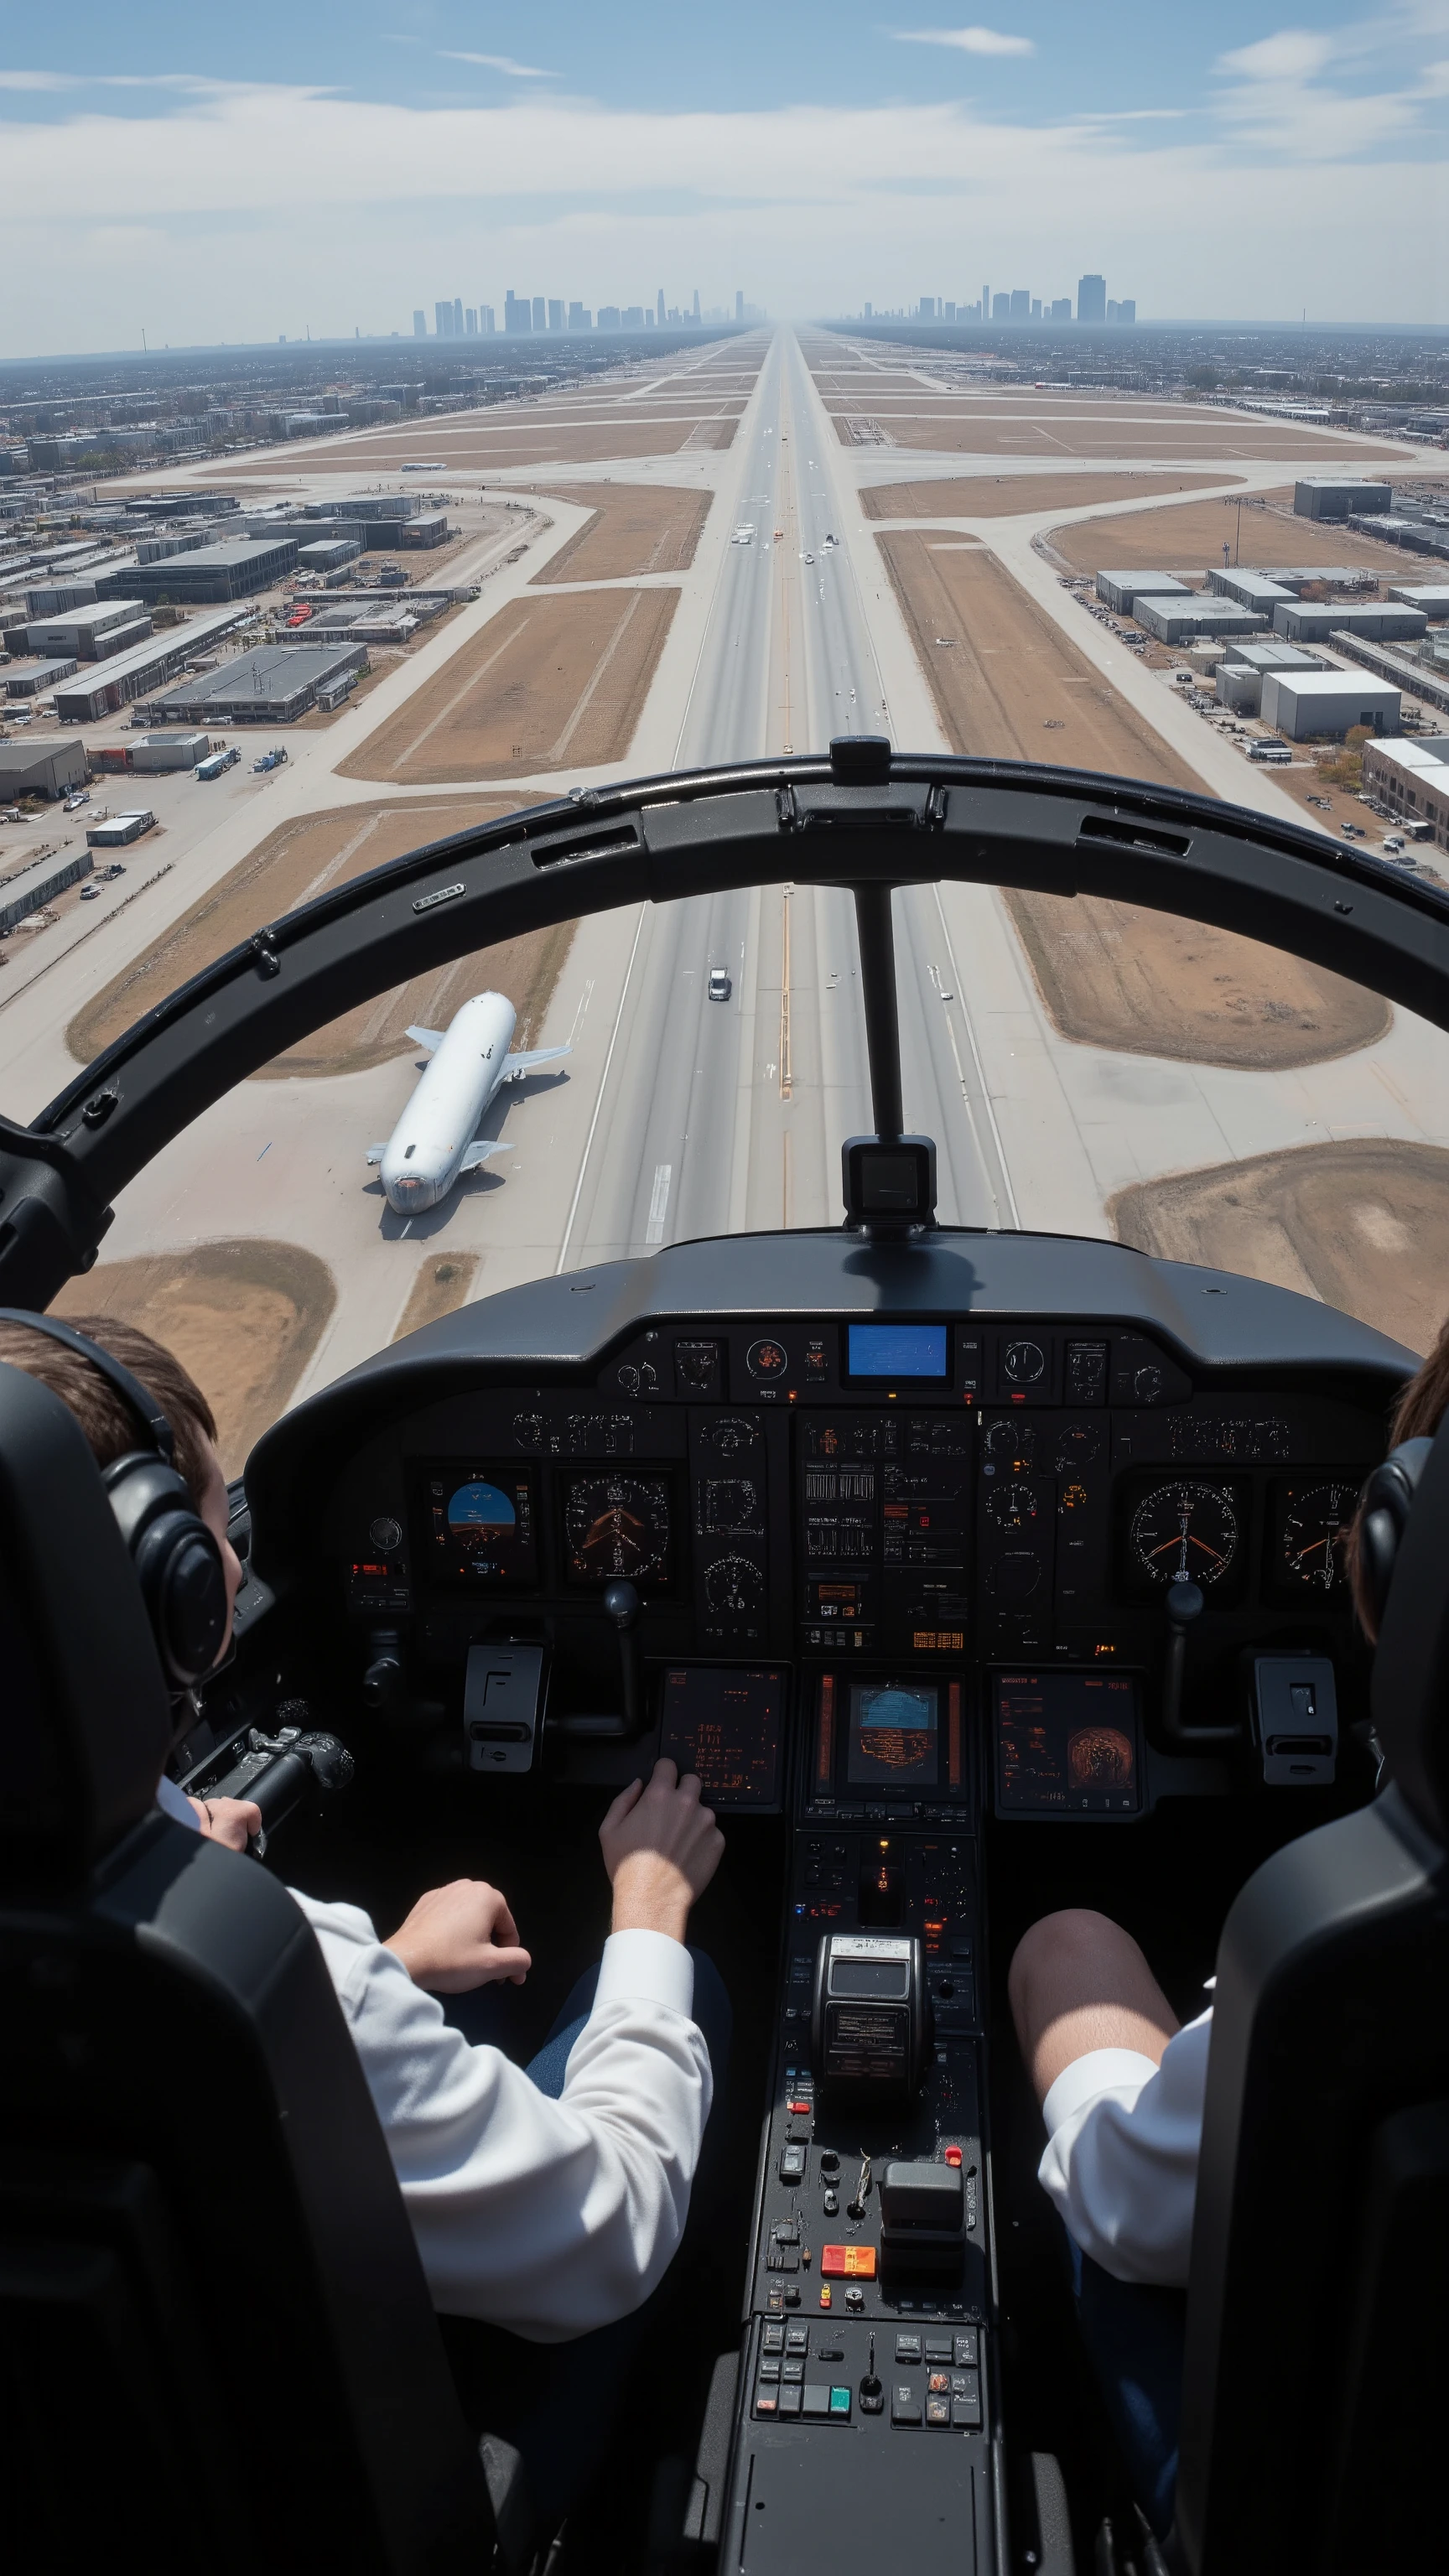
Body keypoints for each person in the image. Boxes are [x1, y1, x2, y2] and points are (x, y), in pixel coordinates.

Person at [0, 1313, 729, 2392]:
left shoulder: (285, 1977)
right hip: (372, 2434)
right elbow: (610, 2231)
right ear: (168, 1590)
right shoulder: (298, 1977)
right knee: (688, 1980)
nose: (236, 1563)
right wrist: (649, 1906)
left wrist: (385, 1962)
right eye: (214, 1536)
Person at [1007, 1314, 1449, 2538]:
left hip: (1306, 2498)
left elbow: (1129, 2201)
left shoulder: (1358, 1969)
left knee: (1069, 1945)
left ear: (1396, 1554)